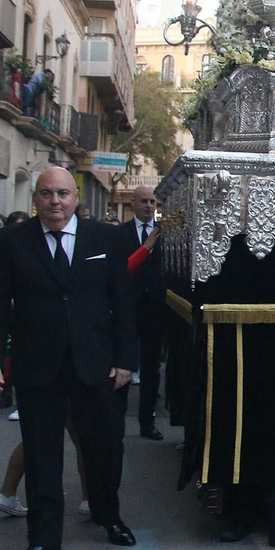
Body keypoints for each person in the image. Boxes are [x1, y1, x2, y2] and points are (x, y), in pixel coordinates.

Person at [0, 166, 138, 550]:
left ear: (75, 198)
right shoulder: (13, 240)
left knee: (104, 447)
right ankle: (43, 539)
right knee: (41, 452)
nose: (55, 202)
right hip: (37, 366)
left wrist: (125, 360)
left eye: (63, 194)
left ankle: (109, 516)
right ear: (35, 198)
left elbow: (123, 302)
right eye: (47, 193)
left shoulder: (106, 238)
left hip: (96, 364)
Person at [118, 185, 167, 441]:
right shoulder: (120, 233)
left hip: (154, 309)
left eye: (153, 202)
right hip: (127, 307)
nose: (149, 206)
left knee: (151, 368)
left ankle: (147, 423)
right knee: (123, 363)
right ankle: (116, 422)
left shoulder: (166, 233)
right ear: (133, 203)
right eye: (144, 201)